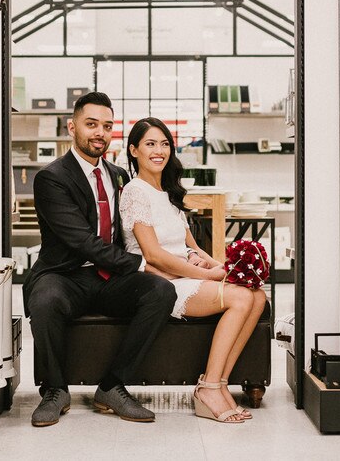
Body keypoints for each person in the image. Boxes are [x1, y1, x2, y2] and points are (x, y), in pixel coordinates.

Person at [24, 92, 177, 427]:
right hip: (65, 274)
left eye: (107, 126)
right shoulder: (51, 178)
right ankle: (55, 390)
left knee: (161, 291)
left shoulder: (119, 174)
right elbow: (82, 241)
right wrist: (142, 264)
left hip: (110, 276)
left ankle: (112, 386)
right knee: (45, 299)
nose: (100, 133)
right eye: (91, 124)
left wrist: (178, 257)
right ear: (72, 127)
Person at [120, 117, 267, 424]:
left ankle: (220, 384)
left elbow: (192, 246)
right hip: (159, 280)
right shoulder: (134, 191)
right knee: (240, 298)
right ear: (134, 150)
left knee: (257, 295)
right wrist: (206, 275)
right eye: (150, 144)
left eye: (164, 144)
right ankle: (208, 388)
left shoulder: (169, 192)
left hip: (185, 273)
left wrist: (223, 266)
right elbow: (153, 253)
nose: (159, 151)